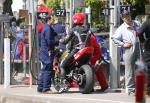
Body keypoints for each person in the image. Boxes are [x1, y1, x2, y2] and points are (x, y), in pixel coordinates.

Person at [60, 12, 108, 91]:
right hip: (90, 52)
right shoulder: (88, 30)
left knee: (63, 64)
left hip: (84, 51)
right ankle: (101, 86)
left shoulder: (74, 30)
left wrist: (61, 40)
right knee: (95, 69)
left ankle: (64, 84)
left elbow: (66, 41)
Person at [111, 10, 141, 95]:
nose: (127, 17)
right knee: (129, 71)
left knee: (141, 67)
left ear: (130, 15)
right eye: (124, 16)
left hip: (139, 48)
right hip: (128, 50)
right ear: (122, 18)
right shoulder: (121, 28)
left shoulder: (137, 23)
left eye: (128, 15)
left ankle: (140, 87)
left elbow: (142, 32)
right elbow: (114, 38)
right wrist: (123, 44)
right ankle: (131, 89)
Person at [37, 15, 58, 93]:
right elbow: (50, 41)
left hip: (44, 51)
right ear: (49, 19)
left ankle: (40, 87)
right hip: (47, 52)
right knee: (48, 70)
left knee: (44, 69)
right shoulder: (48, 29)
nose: (54, 20)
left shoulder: (46, 28)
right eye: (53, 19)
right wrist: (57, 42)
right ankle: (46, 88)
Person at [138, 15, 150, 95]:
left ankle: (149, 90)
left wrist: (142, 40)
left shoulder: (147, 22)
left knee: (148, 69)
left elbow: (139, 32)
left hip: (148, 47)